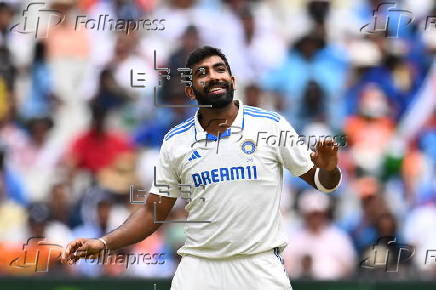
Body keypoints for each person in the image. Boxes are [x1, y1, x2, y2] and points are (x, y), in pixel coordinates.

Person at [61, 46, 342, 289]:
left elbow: (323, 182)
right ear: (190, 90)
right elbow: (152, 212)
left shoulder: (270, 125)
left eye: (219, 69)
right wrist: (104, 243)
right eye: (202, 73)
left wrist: (330, 168)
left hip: (259, 267)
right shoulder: (176, 141)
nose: (213, 76)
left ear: (232, 80)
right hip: (199, 270)